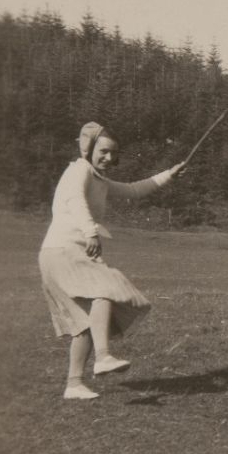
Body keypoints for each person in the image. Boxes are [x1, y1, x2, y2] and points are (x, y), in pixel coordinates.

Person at [39, 122, 185, 399]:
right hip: (64, 250)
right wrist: (91, 232)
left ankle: (74, 384)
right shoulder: (79, 170)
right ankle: (104, 356)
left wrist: (169, 175)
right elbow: (74, 201)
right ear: (88, 148)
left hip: (60, 252)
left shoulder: (98, 178)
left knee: (85, 322)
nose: (109, 158)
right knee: (105, 290)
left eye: (113, 154)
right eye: (103, 151)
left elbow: (133, 189)